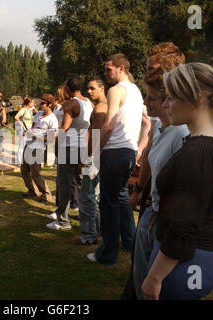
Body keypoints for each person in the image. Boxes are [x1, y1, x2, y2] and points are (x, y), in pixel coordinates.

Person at [141, 63, 213, 300]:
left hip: (189, 257)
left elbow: (183, 227)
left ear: (195, 99)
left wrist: (154, 277)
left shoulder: (197, 153)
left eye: (171, 98)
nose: (165, 105)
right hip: (198, 252)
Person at [121, 42, 186, 300]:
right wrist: (140, 188)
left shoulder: (183, 132)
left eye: (152, 68)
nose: (147, 73)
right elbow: (149, 153)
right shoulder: (162, 122)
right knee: (139, 271)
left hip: (165, 219)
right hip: (152, 210)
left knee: (151, 278)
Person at [87, 53, 144, 264]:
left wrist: (94, 153)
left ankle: (107, 253)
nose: (105, 73)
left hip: (114, 152)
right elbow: (147, 122)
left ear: (121, 69)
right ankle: (130, 243)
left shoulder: (116, 90)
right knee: (120, 198)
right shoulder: (137, 92)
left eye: (108, 69)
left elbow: (109, 125)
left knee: (108, 204)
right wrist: (140, 147)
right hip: (128, 152)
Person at [47, 77, 93, 231]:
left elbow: (64, 128)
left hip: (69, 146)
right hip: (83, 146)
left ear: (67, 89)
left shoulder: (71, 103)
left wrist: (50, 137)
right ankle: (83, 215)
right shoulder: (88, 102)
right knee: (81, 183)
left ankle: (63, 221)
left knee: (64, 183)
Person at [73, 80, 107, 245]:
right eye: (88, 88)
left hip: (95, 158)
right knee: (95, 196)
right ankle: (99, 231)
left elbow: (96, 134)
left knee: (86, 197)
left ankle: (88, 236)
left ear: (102, 88)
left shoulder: (101, 107)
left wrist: (87, 158)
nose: (89, 91)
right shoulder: (102, 106)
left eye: (93, 88)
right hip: (99, 157)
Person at [21, 94, 58, 202]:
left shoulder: (52, 119)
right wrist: (28, 132)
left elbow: (51, 138)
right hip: (29, 144)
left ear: (50, 104)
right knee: (24, 169)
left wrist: (36, 137)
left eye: (43, 103)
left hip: (38, 147)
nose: (40, 105)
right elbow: (33, 126)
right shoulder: (39, 114)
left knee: (35, 172)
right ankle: (32, 190)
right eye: (40, 102)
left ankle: (46, 194)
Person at [14, 96, 37, 165]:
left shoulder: (31, 109)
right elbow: (16, 117)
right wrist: (20, 124)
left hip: (30, 130)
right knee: (22, 146)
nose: (34, 103)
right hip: (24, 130)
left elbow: (38, 113)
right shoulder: (23, 109)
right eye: (32, 102)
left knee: (29, 145)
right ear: (29, 103)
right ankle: (19, 162)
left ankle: (27, 161)